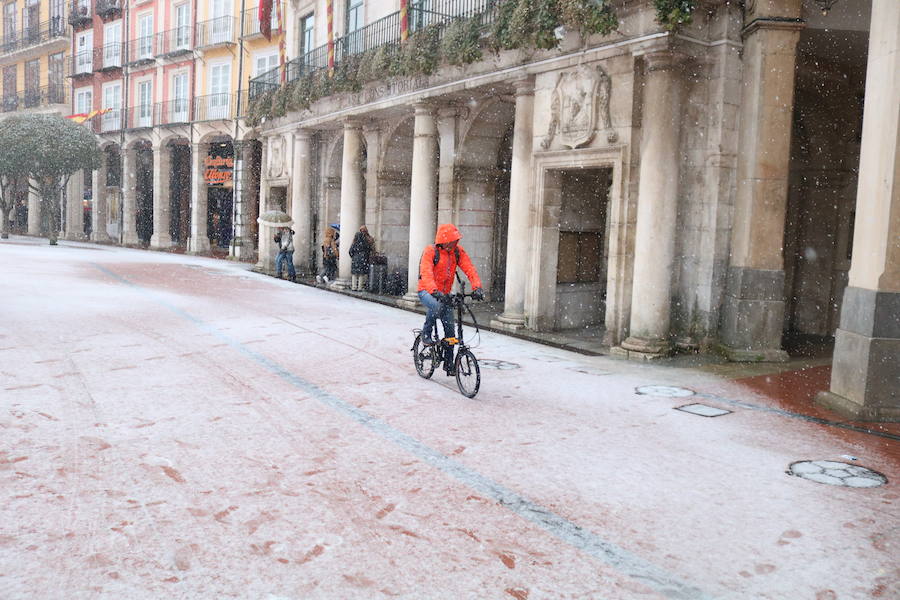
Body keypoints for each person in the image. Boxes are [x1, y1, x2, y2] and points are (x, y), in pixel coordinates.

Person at [417, 223, 484, 376]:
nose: (456, 243)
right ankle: (425, 334)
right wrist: (434, 291)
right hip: (427, 291)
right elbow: (426, 273)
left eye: (456, 240)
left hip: (444, 294)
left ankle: (449, 363)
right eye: (453, 240)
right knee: (438, 306)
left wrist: (477, 287)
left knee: (451, 332)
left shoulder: (457, 252)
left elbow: (469, 269)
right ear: (444, 240)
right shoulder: (431, 251)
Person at [348, 225, 375, 291]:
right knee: (361, 274)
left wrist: (354, 256)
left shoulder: (355, 243)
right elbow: (370, 249)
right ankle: (360, 287)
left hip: (355, 259)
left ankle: (354, 287)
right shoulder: (365, 242)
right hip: (363, 259)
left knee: (354, 274)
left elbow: (350, 251)